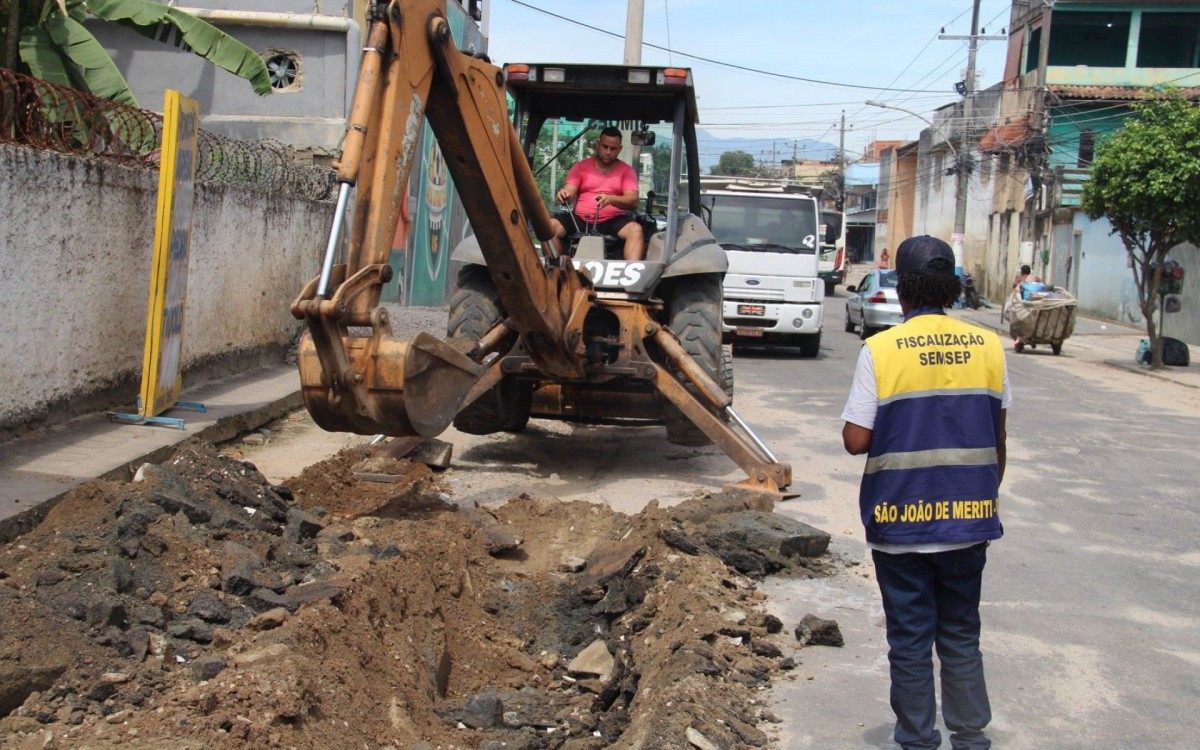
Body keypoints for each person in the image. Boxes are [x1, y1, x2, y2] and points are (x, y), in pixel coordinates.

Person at [841, 235, 1010, 750]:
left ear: (903, 293)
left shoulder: (881, 349)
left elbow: (856, 441)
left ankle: (917, 739)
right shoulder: (988, 346)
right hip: (969, 521)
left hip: (900, 525)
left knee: (911, 639)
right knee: (961, 633)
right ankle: (972, 737)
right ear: (952, 290)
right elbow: (998, 436)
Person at [548, 127, 644, 261]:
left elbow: (633, 200)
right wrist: (565, 194)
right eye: (605, 147)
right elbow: (569, 189)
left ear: (620, 149)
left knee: (635, 230)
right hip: (580, 220)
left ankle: (632, 274)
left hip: (613, 221)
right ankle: (556, 269)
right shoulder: (581, 167)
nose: (608, 152)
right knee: (550, 226)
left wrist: (610, 199)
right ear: (598, 145)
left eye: (613, 148)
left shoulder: (627, 171)